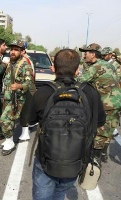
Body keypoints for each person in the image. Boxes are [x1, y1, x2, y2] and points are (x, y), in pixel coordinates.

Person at [29, 49, 106, 200]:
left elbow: (29, 121)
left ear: (54, 68)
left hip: (46, 161)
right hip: (75, 161)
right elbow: (99, 122)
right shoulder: (91, 92)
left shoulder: (43, 92)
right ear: (77, 70)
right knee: (60, 195)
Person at [77, 43, 121, 165]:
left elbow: (80, 81)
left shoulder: (95, 67)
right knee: (110, 129)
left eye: (86, 53)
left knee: (100, 131)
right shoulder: (109, 64)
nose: (84, 55)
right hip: (117, 103)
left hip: (107, 104)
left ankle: (95, 160)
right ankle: (103, 154)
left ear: (93, 54)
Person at [0, 40, 34, 156]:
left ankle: (10, 142)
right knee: (8, 120)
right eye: (11, 49)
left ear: (22, 52)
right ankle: (8, 140)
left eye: (16, 50)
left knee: (5, 119)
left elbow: (30, 84)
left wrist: (19, 85)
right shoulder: (11, 63)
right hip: (8, 96)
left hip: (17, 98)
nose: (12, 52)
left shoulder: (25, 65)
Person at [18, 49, 36, 142]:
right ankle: (29, 126)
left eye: (18, 50)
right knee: (27, 109)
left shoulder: (25, 60)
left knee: (25, 110)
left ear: (23, 51)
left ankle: (25, 133)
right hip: (28, 87)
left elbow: (29, 77)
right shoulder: (28, 59)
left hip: (28, 87)